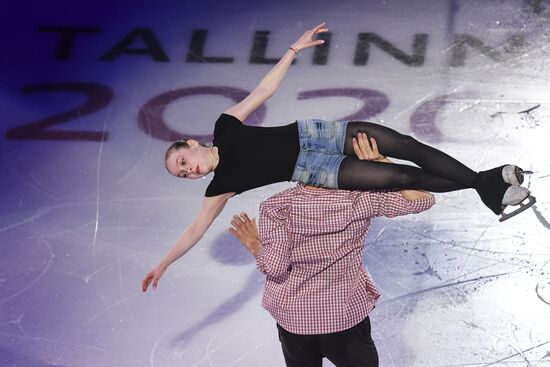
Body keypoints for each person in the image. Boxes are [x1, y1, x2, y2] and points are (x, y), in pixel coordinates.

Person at [142, 22, 535, 292]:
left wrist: (293, 49)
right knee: (400, 178)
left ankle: (485, 186)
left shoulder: (225, 127)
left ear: (191, 144)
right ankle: (486, 183)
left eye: (182, 162)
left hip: (318, 133)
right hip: (316, 168)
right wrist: (164, 264)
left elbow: (262, 92)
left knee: (404, 145)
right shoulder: (220, 186)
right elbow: (194, 230)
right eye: (182, 175)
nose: (188, 171)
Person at [227, 133, 435, 367]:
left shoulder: (276, 207)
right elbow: (422, 199)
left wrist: (254, 244)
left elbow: (275, 267)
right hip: (343, 317)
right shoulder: (361, 198)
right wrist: (383, 166)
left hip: (295, 320)